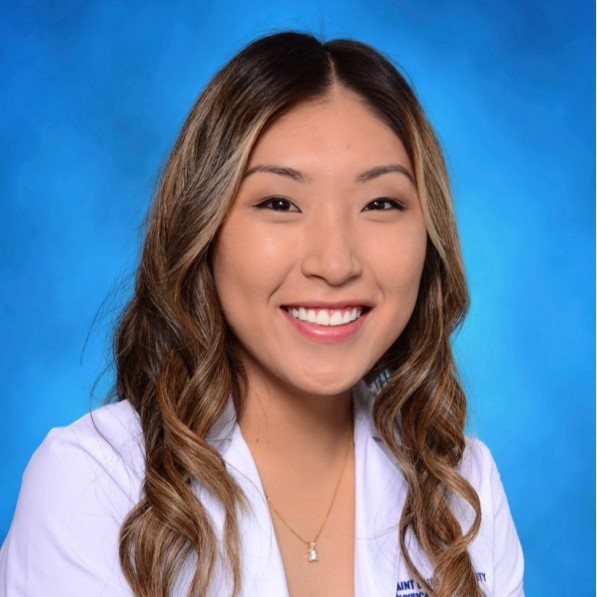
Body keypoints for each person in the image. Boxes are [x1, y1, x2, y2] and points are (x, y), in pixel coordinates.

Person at [0, 31, 524, 597]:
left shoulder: (464, 485)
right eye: (279, 203)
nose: (334, 262)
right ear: (203, 227)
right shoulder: (93, 482)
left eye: (380, 204)